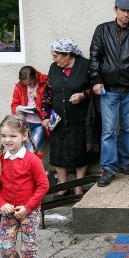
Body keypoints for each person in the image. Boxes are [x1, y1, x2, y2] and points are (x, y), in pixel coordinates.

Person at [89, 0, 129, 186]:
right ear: (115, 9)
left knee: (127, 130)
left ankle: (123, 162)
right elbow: (95, 57)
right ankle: (108, 168)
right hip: (109, 89)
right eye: (123, 10)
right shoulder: (102, 30)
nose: (126, 14)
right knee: (108, 130)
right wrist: (96, 80)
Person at [0, 115, 50, 258]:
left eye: (13, 136)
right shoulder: (0, 160)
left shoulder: (32, 160)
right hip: (9, 213)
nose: (7, 140)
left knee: (28, 249)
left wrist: (28, 207)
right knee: (5, 248)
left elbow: (43, 186)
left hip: (29, 212)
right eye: (3, 136)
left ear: (24, 136)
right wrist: (2, 204)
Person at [41, 38, 91, 197]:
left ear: (67, 54)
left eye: (56, 56)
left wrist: (83, 95)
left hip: (79, 117)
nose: (54, 59)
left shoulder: (84, 65)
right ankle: (63, 185)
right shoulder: (53, 68)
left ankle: (78, 186)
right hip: (58, 119)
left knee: (80, 153)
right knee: (58, 153)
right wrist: (44, 115)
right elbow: (48, 92)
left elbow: (94, 87)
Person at [11, 65, 48, 152]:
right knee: (21, 151)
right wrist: (16, 111)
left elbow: (50, 102)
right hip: (24, 123)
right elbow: (14, 104)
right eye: (26, 84)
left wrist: (38, 96)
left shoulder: (46, 82)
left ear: (36, 75)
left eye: (31, 82)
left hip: (40, 123)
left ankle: (29, 165)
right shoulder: (19, 86)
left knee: (31, 151)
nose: (29, 85)